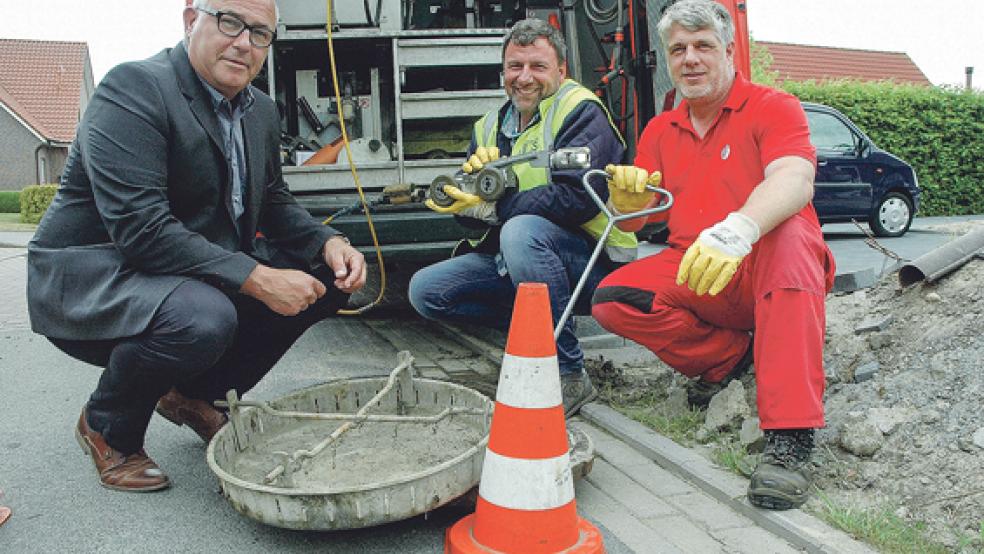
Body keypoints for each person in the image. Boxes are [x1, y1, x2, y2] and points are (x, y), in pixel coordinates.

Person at [26, 0, 366, 493]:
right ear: (191, 21)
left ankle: (195, 395)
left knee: (328, 279)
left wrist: (329, 242)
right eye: (230, 22)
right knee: (202, 317)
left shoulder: (260, 110)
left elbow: (273, 199)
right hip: (97, 275)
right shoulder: (133, 90)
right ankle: (107, 425)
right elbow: (142, 229)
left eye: (260, 34)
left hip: (179, 272)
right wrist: (257, 278)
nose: (244, 42)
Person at [591, 0, 835, 510]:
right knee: (614, 299)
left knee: (791, 237)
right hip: (700, 270)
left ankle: (789, 438)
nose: (690, 59)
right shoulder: (660, 129)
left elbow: (795, 178)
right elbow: (635, 225)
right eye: (678, 49)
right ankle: (731, 359)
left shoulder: (773, 106)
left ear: (729, 50)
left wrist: (741, 227)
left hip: (765, 264)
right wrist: (627, 204)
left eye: (703, 46)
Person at [408, 18, 634, 417]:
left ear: (561, 71)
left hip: (593, 266)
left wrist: (496, 208)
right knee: (426, 291)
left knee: (520, 231)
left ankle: (569, 373)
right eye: (515, 66)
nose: (524, 77)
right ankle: (532, 336)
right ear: (503, 72)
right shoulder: (489, 127)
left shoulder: (579, 110)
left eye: (537, 66)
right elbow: (478, 219)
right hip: (523, 262)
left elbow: (579, 198)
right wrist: (464, 205)